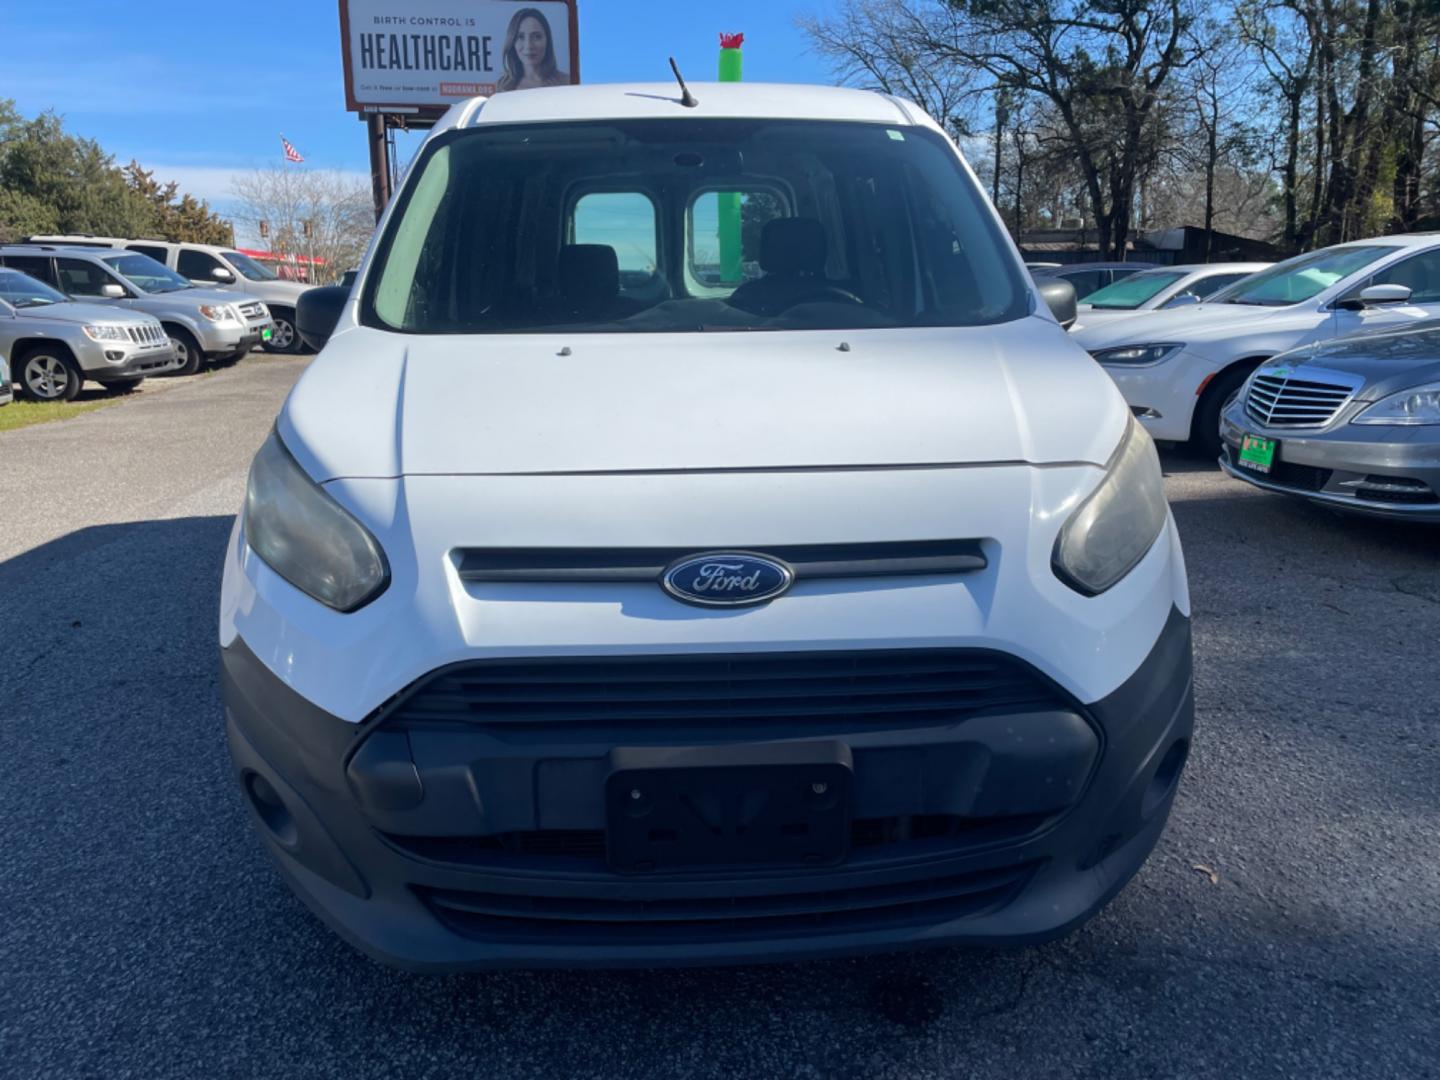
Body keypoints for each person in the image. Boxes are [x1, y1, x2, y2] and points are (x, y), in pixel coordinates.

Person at [495, 8, 570, 92]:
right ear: (512, 42)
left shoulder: (566, 82)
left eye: (536, 37)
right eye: (520, 37)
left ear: (547, 41)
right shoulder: (504, 86)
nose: (529, 46)